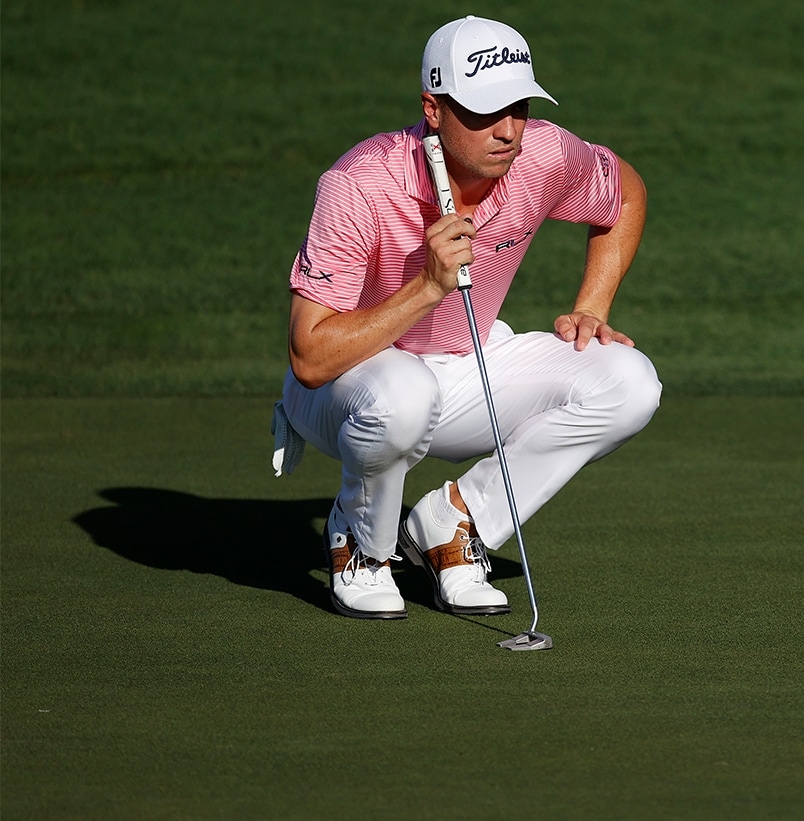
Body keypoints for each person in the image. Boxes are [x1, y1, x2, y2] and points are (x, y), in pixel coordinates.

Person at [272, 16, 661, 619]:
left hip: (465, 365)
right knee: (403, 393)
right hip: (346, 390)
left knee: (629, 382)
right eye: (484, 112)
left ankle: (455, 523)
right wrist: (428, 287)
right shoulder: (359, 184)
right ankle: (361, 545)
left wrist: (592, 306)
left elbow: (626, 194)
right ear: (433, 109)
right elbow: (310, 357)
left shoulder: (543, 154)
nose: (507, 131)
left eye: (519, 108)